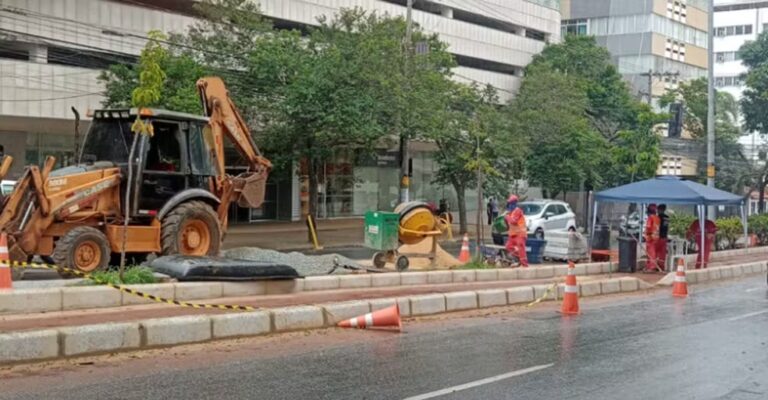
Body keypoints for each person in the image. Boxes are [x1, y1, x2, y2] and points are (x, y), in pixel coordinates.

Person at [504, 194, 528, 267]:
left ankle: (524, 265)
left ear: (514, 203)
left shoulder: (518, 211)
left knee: (521, 247)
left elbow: (513, 221)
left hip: (520, 233)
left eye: (511, 203)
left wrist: (507, 217)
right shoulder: (510, 212)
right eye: (509, 204)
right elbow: (509, 224)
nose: (510, 205)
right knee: (508, 246)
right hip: (513, 234)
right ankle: (520, 259)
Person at [644, 204, 661, 272]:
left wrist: (647, 234)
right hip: (656, 237)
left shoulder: (650, 218)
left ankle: (651, 267)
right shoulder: (657, 218)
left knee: (651, 253)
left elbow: (648, 227)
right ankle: (650, 266)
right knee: (654, 253)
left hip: (650, 238)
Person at [656, 204, 670, 271]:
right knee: (662, 253)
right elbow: (667, 227)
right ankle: (661, 266)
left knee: (656, 252)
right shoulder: (667, 217)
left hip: (658, 236)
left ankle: (656, 266)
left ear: (659, 209)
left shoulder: (658, 217)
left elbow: (657, 227)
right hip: (665, 237)